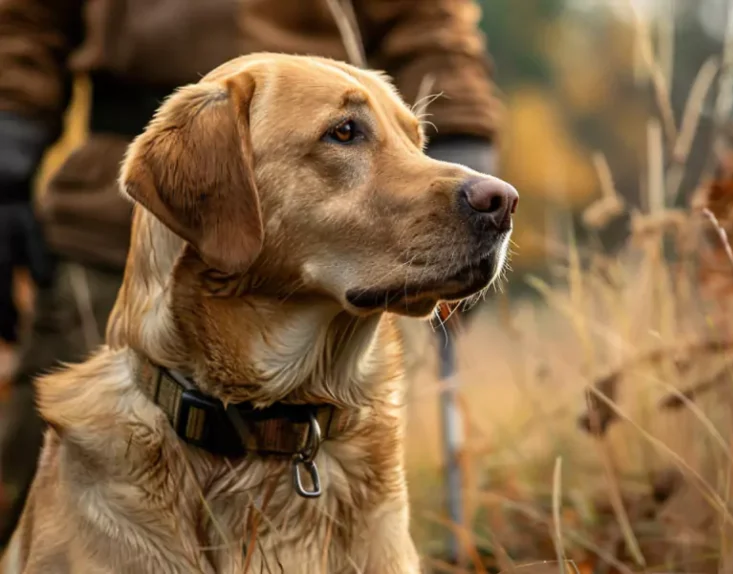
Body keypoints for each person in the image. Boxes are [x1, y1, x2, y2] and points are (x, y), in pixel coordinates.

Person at [0, 0, 502, 548]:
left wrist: (460, 131)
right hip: (101, 233)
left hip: (323, 174)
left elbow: (424, 15)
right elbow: (26, 19)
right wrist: (7, 148)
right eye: (347, 135)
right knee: (19, 490)